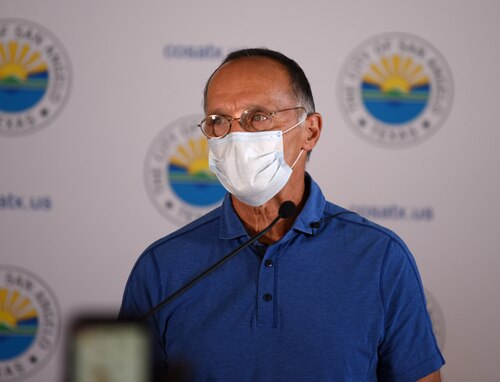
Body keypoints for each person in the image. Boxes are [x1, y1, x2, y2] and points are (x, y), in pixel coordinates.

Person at [119, 48, 445, 381]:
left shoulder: (379, 258)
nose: (236, 136)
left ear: (311, 131)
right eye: (218, 121)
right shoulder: (162, 268)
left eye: (257, 116)